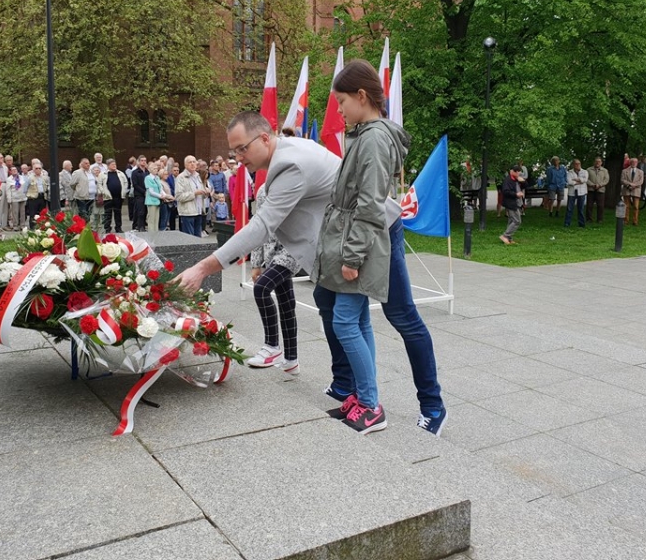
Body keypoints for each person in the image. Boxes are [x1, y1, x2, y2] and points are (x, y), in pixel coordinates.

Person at [178, 109, 447, 436]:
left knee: (397, 317)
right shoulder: (285, 155)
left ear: (264, 138)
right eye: (234, 151)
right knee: (335, 307)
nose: (238, 157)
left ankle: (428, 406)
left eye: (242, 148)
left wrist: (203, 267)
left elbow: (263, 226)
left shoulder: (292, 163)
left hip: (371, 236)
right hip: (342, 245)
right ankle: (353, 391)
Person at [311, 59, 414, 434]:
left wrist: (352, 256)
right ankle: (362, 397)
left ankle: (371, 406)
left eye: (341, 102)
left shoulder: (372, 139)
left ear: (361, 96)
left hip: (357, 244)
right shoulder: (367, 135)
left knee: (344, 322)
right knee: (356, 320)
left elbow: (370, 205)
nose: (338, 110)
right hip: (351, 239)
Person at [246, 185, 301, 375]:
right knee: (287, 304)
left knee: (261, 289)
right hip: (272, 254)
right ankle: (291, 360)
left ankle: (272, 345)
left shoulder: (296, 183)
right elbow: (259, 225)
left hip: (292, 251)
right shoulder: (263, 190)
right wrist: (256, 263)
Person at [175, 155, 206, 236]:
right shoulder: (181, 177)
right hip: (187, 213)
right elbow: (178, 196)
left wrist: (205, 193)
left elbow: (201, 191)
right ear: (185, 165)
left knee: (198, 238)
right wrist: (194, 193)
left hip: (198, 212)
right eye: (190, 162)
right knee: (189, 239)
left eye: (194, 162)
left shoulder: (198, 176)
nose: (192, 164)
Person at [102, 158, 129, 234]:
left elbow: (125, 182)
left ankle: (118, 228)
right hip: (108, 197)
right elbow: (100, 184)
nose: (114, 166)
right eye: (112, 164)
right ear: (108, 166)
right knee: (108, 213)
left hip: (118, 197)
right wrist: (103, 192)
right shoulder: (103, 174)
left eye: (115, 164)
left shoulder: (120, 173)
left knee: (118, 213)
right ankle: (107, 228)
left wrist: (124, 191)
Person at [499, 164, 524, 244]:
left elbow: (526, 186)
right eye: (517, 172)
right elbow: (505, 192)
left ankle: (509, 238)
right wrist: (516, 194)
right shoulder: (508, 180)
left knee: (511, 221)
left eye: (519, 173)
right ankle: (505, 236)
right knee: (517, 221)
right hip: (511, 203)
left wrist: (523, 181)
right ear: (513, 172)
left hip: (516, 202)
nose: (518, 174)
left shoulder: (516, 179)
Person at [144, 162, 172, 231]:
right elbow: (151, 192)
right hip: (151, 201)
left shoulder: (157, 178)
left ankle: (156, 233)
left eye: (156, 169)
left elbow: (160, 189)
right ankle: (151, 233)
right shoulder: (148, 178)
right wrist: (160, 196)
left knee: (156, 219)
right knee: (151, 219)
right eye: (154, 169)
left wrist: (166, 196)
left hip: (157, 201)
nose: (156, 170)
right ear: (150, 170)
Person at [563, 158, 588, 228]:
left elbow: (585, 180)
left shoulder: (584, 171)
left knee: (581, 209)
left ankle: (581, 224)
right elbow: (569, 182)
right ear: (573, 165)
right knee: (569, 208)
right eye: (576, 164)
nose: (578, 165)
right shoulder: (570, 172)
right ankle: (567, 223)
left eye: (579, 164)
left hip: (582, 192)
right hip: (572, 192)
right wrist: (579, 182)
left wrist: (577, 180)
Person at [620, 157, 644, 226]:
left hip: (636, 190)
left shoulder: (640, 172)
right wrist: (629, 185)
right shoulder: (624, 171)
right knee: (626, 206)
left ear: (637, 163)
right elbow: (622, 180)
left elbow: (641, 181)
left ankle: (635, 221)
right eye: (632, 162)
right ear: (630, 163)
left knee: (636, 206)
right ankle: (626, 220)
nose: (634, 163)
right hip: (627, 189)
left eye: (635, 162)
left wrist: (634, 185)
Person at [586, 156, 609, 223]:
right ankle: (589, 219)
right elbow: (586, 179)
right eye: (596, 161)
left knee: (600, 206)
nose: (597, 163)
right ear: (594, 162)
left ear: (601, 163)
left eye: (599, 162)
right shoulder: (588, 170)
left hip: (600, 190)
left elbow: (606, 180)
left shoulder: (605, 170)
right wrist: (592, 185)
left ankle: (599, 219)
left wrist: (600, 185)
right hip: (591, 190)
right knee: (589, 205)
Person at [26, 164, 50, 228]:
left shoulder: (44, 178)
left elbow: (47, 186)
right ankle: (33, 228)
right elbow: (25, 188)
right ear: (33, 169)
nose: (38, 170)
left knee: (42, 214)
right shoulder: (30, 178)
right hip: (33, 198)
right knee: (33, 214)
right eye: (36, 168)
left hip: (42, 197)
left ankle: (41, 227)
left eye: (39, 168)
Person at [131, 156, 149, 231]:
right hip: (139, 194)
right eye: (142, 160)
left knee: (146, 211)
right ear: (138, 162)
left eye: (145, 160)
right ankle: (139, 226)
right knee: (140, 211)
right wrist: (143, 191)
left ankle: (143, 225)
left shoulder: (147, 172)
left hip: (148, 194)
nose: (143, 162)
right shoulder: (135, 172)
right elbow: (135, 184)